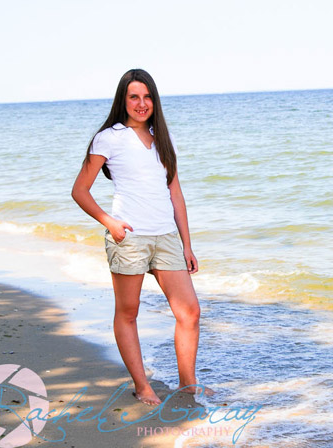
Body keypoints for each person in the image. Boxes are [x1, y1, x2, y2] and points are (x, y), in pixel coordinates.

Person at [71, 69, 213, 405]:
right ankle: (142, 385)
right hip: (129, 237)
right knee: (128, 312)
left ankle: (187, 383)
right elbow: (80, 190)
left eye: (147, 96)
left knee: (189, 311)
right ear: (123, 99)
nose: (141, 103)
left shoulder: (163, 137)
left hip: (166, 237)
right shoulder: (109, 137)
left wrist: (187, 244)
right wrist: (110, 222)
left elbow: (175, 194)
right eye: (134, 96)